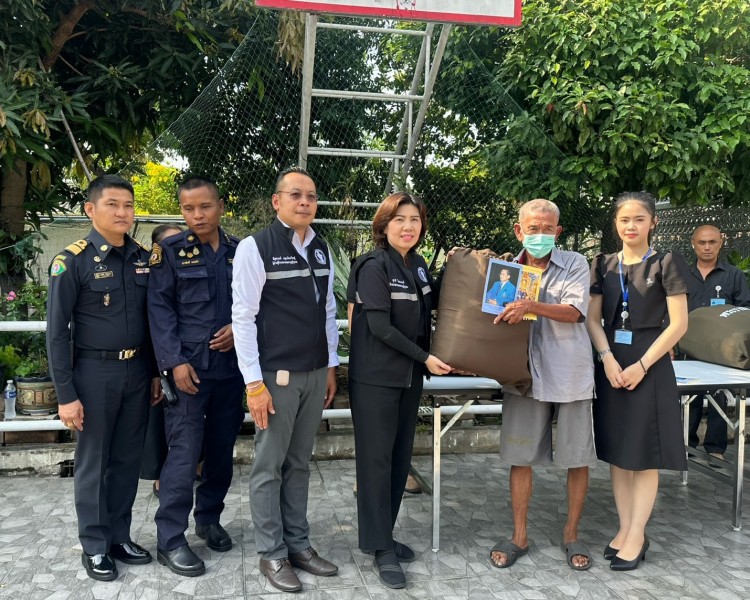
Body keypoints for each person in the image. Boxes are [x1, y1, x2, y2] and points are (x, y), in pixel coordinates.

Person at [46, 174, 160, 581]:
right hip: (94, 373)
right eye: (113, 204)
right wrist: (65, 394)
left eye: (128, 205)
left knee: (127, 459)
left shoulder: (143, 258)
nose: (122, 212)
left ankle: (119, 536)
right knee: (94, 462)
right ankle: (95, 545)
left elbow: (151, 321)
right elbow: (57, 333)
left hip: (137, 371)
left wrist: (154, 372)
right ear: (90, 209)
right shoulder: (72, 261)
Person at [232, 166, 340, 593]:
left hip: (313, 373)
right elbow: (243, 318)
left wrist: (330, 366)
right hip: (274, 377)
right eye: (296, 194)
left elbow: (328, 310)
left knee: (299, 462)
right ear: (277, 201)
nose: (305, 202)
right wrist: (253, 384)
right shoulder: (255, 247)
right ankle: (272, 553)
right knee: (269, 464)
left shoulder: (321, 248)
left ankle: (298, 544)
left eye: (311, 196)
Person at [347, 192, 451, 589]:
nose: (408, 227)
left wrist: (467, 265)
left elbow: (439, 300)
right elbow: (379, 327)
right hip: (376, 379)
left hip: (408, 378)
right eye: (399, 219)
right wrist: (425, 357)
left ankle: (382, 537)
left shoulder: (419, 265)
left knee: (398, 459)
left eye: (415, 220)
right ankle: (381, 549)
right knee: (376, 463)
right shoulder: (373, 265)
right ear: (384, 224)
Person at [490, 199, 596, 572]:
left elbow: (575, 312)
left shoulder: (576, 263)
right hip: (524, 375)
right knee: (520, 457)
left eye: (547, 228)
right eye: (533, 229)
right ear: (519, 231)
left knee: (577, 457)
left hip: (569, 372)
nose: (540, 235)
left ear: (558, 231)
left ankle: (571, 534)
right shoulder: (506, 269)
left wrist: (530, 306)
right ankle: (519, 536)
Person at [147, 176, 245, 577]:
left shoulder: (241, 251)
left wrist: (240, 329)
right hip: (189, 372)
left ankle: (208, 518)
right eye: (188, 208)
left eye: (205, 206)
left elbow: (255, 302)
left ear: (220, 206)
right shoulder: (170, 252)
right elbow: (159, 310)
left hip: (231, 370)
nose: (197, 215)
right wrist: (173, 362)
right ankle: (170, 539)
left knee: (221, 451)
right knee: (184, 454)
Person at [587, 191, 689, 571]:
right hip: (612, 365)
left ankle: (637, 534)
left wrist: (642, 365)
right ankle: (625, 528)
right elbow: (592, 319)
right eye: (624, 219)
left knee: (644, 455)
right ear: (615, 224)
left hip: (650, 364)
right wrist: (607, 358)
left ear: (653, 222)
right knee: (619, 452)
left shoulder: (666, 262)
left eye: (639, 219)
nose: (631, 226)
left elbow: (679, 324)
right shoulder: (603, 264)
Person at [684, 225, 750, 459]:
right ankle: (686, 445)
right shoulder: (682, 275)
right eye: (702, 242)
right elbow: (671, 311)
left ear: (720, 243)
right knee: (688, 398)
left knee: (719, 397)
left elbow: (744, 310)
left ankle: (715, 449)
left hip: (720, 350)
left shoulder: (733, 275)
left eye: (712, 242)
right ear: (693, 243)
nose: (707, 247)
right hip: (689, 347)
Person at [140, 223, 183, 497]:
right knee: (158, 419)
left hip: (187, 354)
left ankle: (198, 465)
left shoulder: (190, 266)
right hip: (155, 356)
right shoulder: (147, 273)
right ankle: (159, 475)